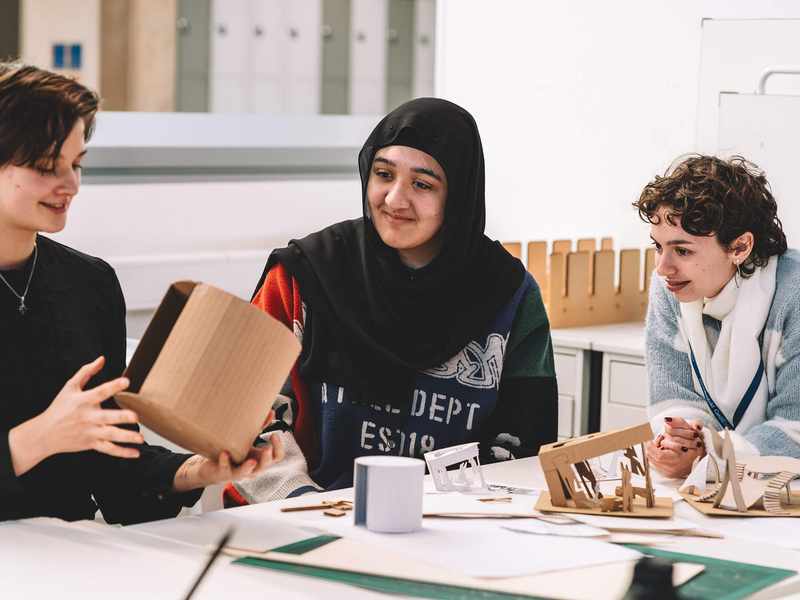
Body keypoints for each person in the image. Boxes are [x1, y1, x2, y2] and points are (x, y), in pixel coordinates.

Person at [225, 97, 558, 505]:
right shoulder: (303, 277)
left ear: (458, 194)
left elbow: (526, 443)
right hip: (307, 521)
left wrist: (462, 516)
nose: (395, 199)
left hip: (458, 530)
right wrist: (309, 508)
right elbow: (242, 414)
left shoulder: (509, 295)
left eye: (422, 184)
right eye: (384, 174)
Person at [0, 63, 283, 523]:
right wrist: (37, 438)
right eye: (45, 166)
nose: (70, 184)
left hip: (67, 556)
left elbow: (116, 477)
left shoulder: (88, 284)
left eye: (76, 163)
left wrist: (199, 470)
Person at [636, 154, 799, 479]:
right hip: (722, 486)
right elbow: (673, 399)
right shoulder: (670, 286)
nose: (662, 267)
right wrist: (679, 444)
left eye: (682, 251)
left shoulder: (792, 295)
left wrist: (711, 455)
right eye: (658, 246)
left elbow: (795, 430)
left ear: (740, 247)